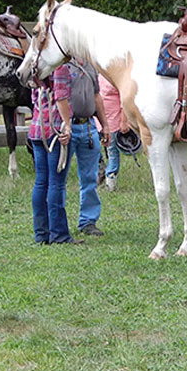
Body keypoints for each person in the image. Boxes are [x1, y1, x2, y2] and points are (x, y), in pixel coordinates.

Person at [53, 59, 112, 237]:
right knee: (59, 178)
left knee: (90, 177)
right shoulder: (62, 66)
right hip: (68, 126)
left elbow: (96, 96)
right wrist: (65, 124)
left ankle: (88, 221)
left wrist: (105, 125)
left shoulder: (90, 65)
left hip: (88, 126)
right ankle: (58, 221)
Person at [29, 71, 79, 244]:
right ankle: (59, 234)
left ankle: (41, 234)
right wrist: (67, 126)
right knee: (56, 183)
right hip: (55, 129)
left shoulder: (38, 65)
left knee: (41, 181)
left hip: (37, 127)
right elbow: (61, 97)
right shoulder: (59, 66)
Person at [98, 76, 130, 192]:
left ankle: (110, 182)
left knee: (112, 151)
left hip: (113, 121)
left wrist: (124, 120)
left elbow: (124, 100)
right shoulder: (99, 75)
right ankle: (100, 170)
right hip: (98, 121)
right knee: (94, 149)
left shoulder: (115, 76)